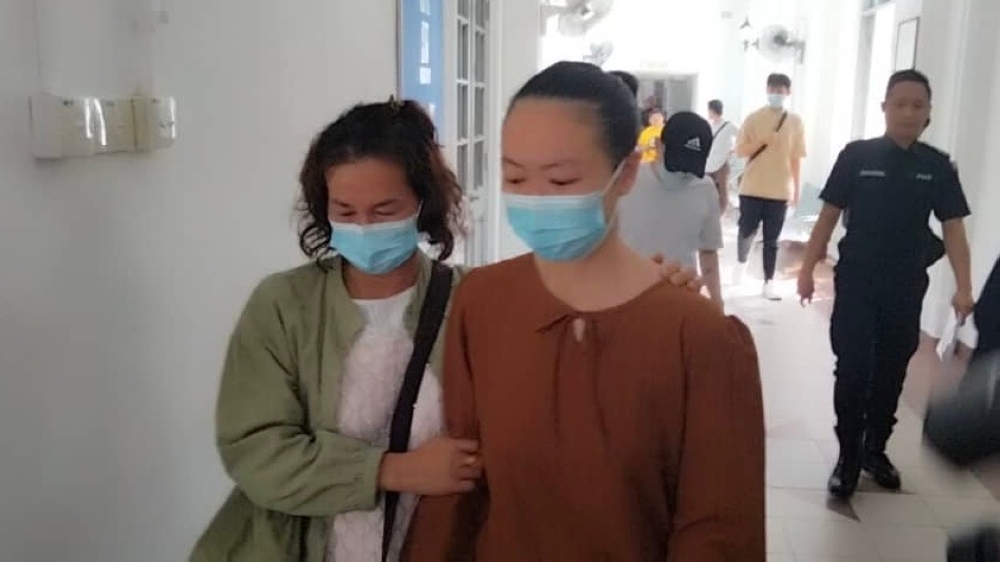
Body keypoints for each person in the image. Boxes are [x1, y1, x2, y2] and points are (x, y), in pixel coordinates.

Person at [190, 99, 703, 561]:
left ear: (422, 203)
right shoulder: (283, 306)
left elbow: (578, 341)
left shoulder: (475, 300)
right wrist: (393, 470)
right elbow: (256, 451)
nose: (364, 226)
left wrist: (653, 294)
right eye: (345, 212)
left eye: (385, 210)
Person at [404, 61, 765, 561]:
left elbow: (719, 534)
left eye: (560, 181)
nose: (533, 198)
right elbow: (464, 481)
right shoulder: (482, 301)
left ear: (627, 173)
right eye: (514, 175)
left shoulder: (699, 338)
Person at [798, 69, 974, 499]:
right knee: (853, 369)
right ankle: (848, 457)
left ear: (929, 113)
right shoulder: (856, 156)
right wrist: (807, 268)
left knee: (892, 370)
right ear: (884, 108)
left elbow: (953, 229)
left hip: (906, 286)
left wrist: (963, 287)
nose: (908, 112)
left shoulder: (936, 166)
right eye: (900, 103)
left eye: (918, 105)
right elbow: (828, 217)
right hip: (857, 282)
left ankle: (875, 449)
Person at [620, 111, 724, 310]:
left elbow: (708, 250)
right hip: (628, 292)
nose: (684, 173)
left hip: (682, 292)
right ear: (659, 146)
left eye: (690, 167)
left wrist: (717, 300)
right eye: (677, 165)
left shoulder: (705, 188)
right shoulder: (628, 181)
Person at [734, 73, 807, 300]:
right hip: (752, 188)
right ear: (767, 90)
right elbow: (740, 151)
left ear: (788, 93)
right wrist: (761, 140)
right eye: (773, 89)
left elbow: (796, 158)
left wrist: (795, 189)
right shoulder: (753, 118)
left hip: (779, 190)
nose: (777, 93)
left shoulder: (795, 122)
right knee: (747, 230)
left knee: (771, 239)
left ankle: (768, 282)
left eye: (781, 90)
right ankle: (741, 263)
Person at [706, 99, 737, 211]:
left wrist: (734, 149)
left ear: (712, 110)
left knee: (723, 191)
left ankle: (720, 214)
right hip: (709, 163)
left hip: (722, 163)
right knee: (708, 189)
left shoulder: (728, 125)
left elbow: (742, 135)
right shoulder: (709, 125)